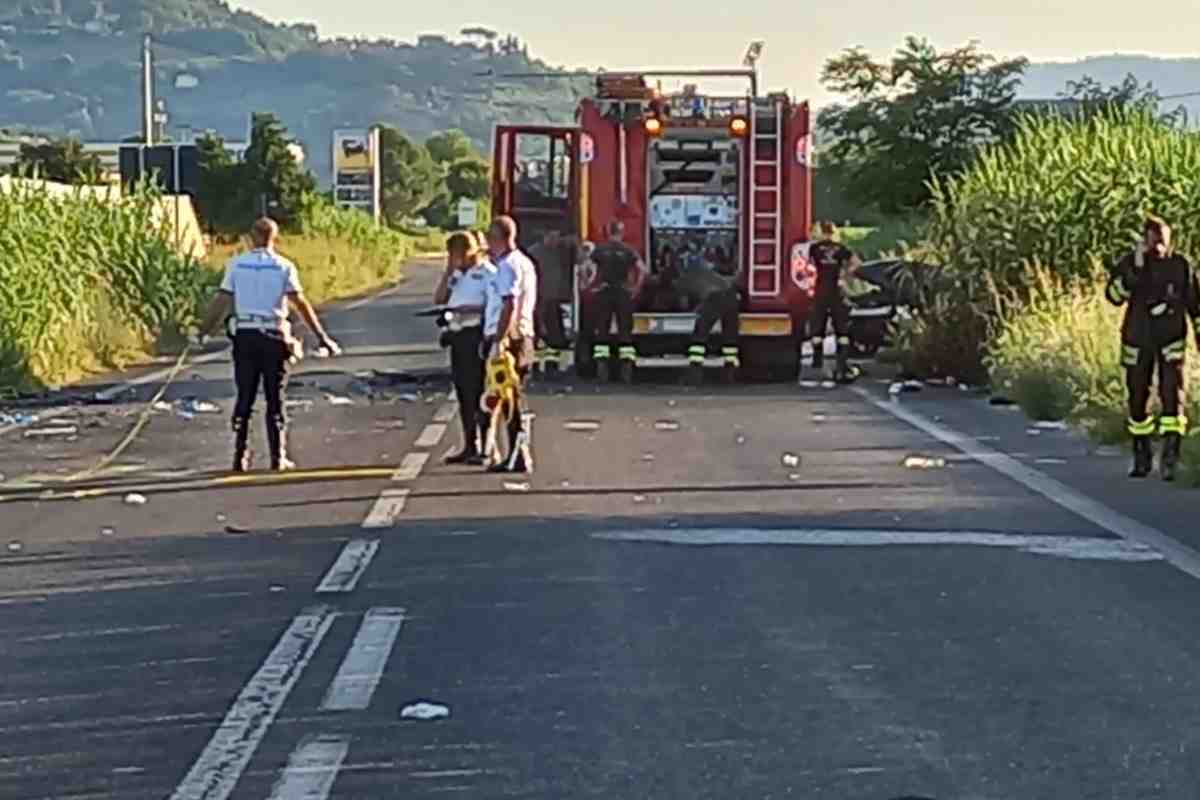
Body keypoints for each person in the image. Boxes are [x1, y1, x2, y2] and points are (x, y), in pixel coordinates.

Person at [198, 217, 339, 472]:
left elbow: (222, 301)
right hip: (274, 336)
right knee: (275, 398)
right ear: (275, 237)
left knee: (245, 397)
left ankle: (240, 456)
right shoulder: (283, 266)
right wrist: (322, 337)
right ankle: (278, 456)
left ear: (252, 237)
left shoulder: (237, 265)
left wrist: (203, 332)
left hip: (246, 335)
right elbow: (301, 304)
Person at [1105, 216, 1200, 481]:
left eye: (1164, 239)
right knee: (1137, 398)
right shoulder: (1131, 264)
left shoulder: (1180, 266)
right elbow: (1113, 297)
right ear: (1144, 240)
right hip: (1137, 340)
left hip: (1171, 340)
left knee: (1173, 396)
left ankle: (1171, 455)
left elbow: (1196, 306)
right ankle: (1141, 453)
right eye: (1154, 239)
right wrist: (1134, 270)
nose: (1159, 245)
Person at [434, 231, 496, 465]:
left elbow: (493, 306)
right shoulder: (459, 275)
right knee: (463, 393)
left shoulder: (487, 273)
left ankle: (485, 446)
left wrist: (469, 310)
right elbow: (439, 299)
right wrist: (449, 272)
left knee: (479, 392)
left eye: (455, 255)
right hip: (457, 335)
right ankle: (470, 444)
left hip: (475, 334)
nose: (453, 258)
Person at [483, 215, 538, 473]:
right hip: (524, 335)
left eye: (490, 239)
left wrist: (499, 340)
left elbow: (509, 304)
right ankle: (518, 453)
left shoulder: (508, 266)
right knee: (512, 398)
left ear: (500, 239)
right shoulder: (525, 263)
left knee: (509, 399)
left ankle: (518, 455)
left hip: (511, 339)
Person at [584, 219, 647, 383]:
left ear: (607, 232)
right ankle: (626, 372)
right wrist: (635, 288)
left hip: (604, 292)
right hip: (623, 293)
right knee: (625, 331)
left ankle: (602, 371)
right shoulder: (628, 250)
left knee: (602, 330)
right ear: (621, 232)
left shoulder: (600, 250)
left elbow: (586, 268)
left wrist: (589, 285)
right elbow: (642, 269)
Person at [806, 221, 863, 382]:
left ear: (821, 232)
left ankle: (817, 361)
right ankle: (841, 362)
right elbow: (856, 263)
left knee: (818, 326)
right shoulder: (841, 248)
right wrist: (846, 274)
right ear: (833, 232)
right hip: (837, 291)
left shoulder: (814, 248)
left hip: (820, 290)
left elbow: (805, 266)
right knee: (841, 328)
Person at [676, 244, 741, 385]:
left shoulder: (685, 277)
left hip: (714, 299)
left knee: (699, 335)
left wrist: (696, 310)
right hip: (732, 298)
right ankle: (730, 373)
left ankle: (694, 373)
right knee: (730, 337)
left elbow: (684, 303)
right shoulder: (706, 272)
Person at [528, 229, 575, 375]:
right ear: (545, 236)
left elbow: (574, 246)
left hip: (553, 300)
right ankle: (533, 367)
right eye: (553, 237)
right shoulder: (534, 253)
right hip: (537, 300)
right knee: (535, 335)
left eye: (557, 238)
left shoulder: (560, 251)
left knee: (554, 336)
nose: (555, 241)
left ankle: (552, 367)